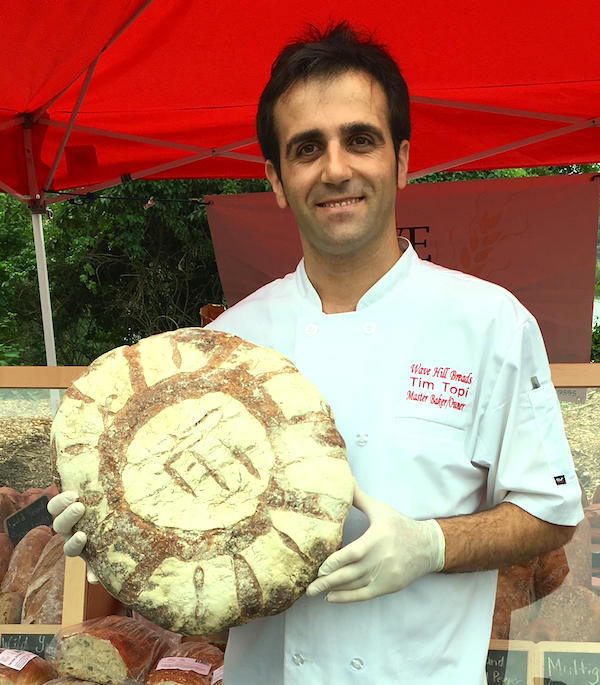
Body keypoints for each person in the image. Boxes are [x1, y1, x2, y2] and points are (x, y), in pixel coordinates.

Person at [50, 22, 583, 685]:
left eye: (361, 139)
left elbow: (550, 512)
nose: (336, 168)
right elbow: (207, 572)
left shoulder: (489, 322)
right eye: (307, 149)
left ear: (402, 158)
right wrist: (128, 539)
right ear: (276, 179)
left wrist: (431, 545)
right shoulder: (226, 343)